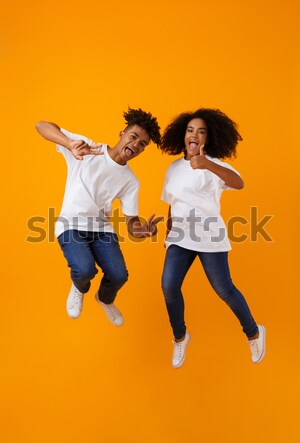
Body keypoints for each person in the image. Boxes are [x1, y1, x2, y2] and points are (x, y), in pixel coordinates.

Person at [36, 108, 162, 326]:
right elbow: (41, 125)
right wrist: (68, 143)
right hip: (71, 225)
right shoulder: (87, 148)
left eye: (142, 144)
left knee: (119, 275)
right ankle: (79, 287)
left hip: (101, 231)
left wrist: (141, 231)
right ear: (122, 134)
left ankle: (104, 299)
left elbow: (131, 222)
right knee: (84, 270)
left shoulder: (131, 181)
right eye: (134, 137)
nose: (136, 145)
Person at [160, 108, 266, 368]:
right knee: (169, 287)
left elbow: (239, 183)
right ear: (183, 135)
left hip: (209, 235)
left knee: (224, 289)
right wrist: (169, 231)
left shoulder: (214, 163)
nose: (194, 134)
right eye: (190, 130)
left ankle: (253, 332)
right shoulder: (174, 167)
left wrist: (207, 163)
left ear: (209, 137)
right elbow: (172, 202)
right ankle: (180, 337)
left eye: (201, 131)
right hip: (180, 236)